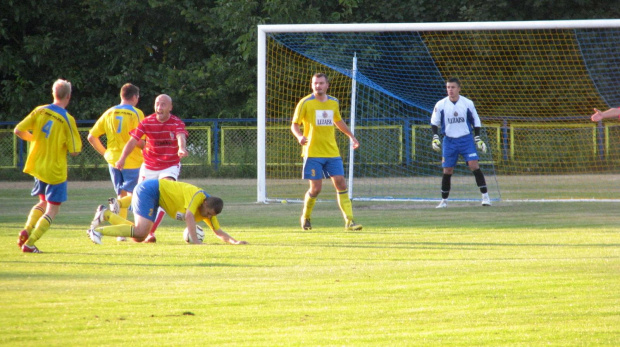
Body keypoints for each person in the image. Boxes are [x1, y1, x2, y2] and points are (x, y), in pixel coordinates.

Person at [14, 79, 82, 253]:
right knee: (52, 209)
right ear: (68, 96)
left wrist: (35, 139)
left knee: (42, 202)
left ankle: (27, 229)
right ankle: (30, 243)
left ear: (53, 93)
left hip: (38, 166)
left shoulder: (40, 110)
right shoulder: (67, 119)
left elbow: (18, 130)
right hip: (55, 170)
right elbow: (75, 150)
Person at [290, 73, 362, 231]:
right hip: (313, 153)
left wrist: (352, 137)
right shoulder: (305, 103)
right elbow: (294, 125)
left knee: (341, 183)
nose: (318, 86)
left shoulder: (334, 102)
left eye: (321, 83)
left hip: (332, 152)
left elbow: (338, 121)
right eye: (315, 83)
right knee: (316, 188)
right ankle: (306, 217)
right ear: (312, 85)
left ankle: (349, 221)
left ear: (327, 85)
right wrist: (300, 136)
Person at [113, 94, 188, 243]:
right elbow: (133, 141)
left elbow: (181, 136)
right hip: (149, 166)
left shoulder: (176, 123)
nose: (159, 107)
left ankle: (150, 232)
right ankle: (120, 206)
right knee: (140, 200)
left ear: (170, 107)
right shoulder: (147, 122)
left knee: (164, 193)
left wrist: (181, 148)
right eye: (157, 104)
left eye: (163, 104)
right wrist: (122, 158)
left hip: (169, 165)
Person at [86, 179, 247, 245]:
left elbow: (218, 231)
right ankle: (97, 232)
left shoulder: (208, 211)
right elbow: (189, 216)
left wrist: (235, 242)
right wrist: (196, 242)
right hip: (151, 190)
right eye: (208, 213)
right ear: (205, 203)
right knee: (141, 231)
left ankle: (106, 215)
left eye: (211, 215)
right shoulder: (198, 197)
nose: (208, 217)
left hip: (156, 197)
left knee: (140, 236)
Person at [87, 83, 144, 223]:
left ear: (121, 95)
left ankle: (121, 232)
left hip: (113, 160)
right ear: (135, 97)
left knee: (121, 194)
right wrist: (149, 147)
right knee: (136, 194)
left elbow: (91, 137)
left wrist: (106, 153)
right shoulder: (136, 113)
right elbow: (138, 141)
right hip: (132, 160)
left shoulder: (109, 112)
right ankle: (137, 227)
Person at [430, 77, 491, 208]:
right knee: (447, 170)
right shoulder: (440, 105)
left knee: (474, 165)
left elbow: (476, 120)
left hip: (466, 139)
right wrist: (435, 137)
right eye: (448, 87)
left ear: (459, 89)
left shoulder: (467, 103)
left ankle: (485, 197)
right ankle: (444, 201)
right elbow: (434, 123)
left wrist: (478, 138)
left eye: (453, 87)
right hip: (449, 141)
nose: (450, 90)